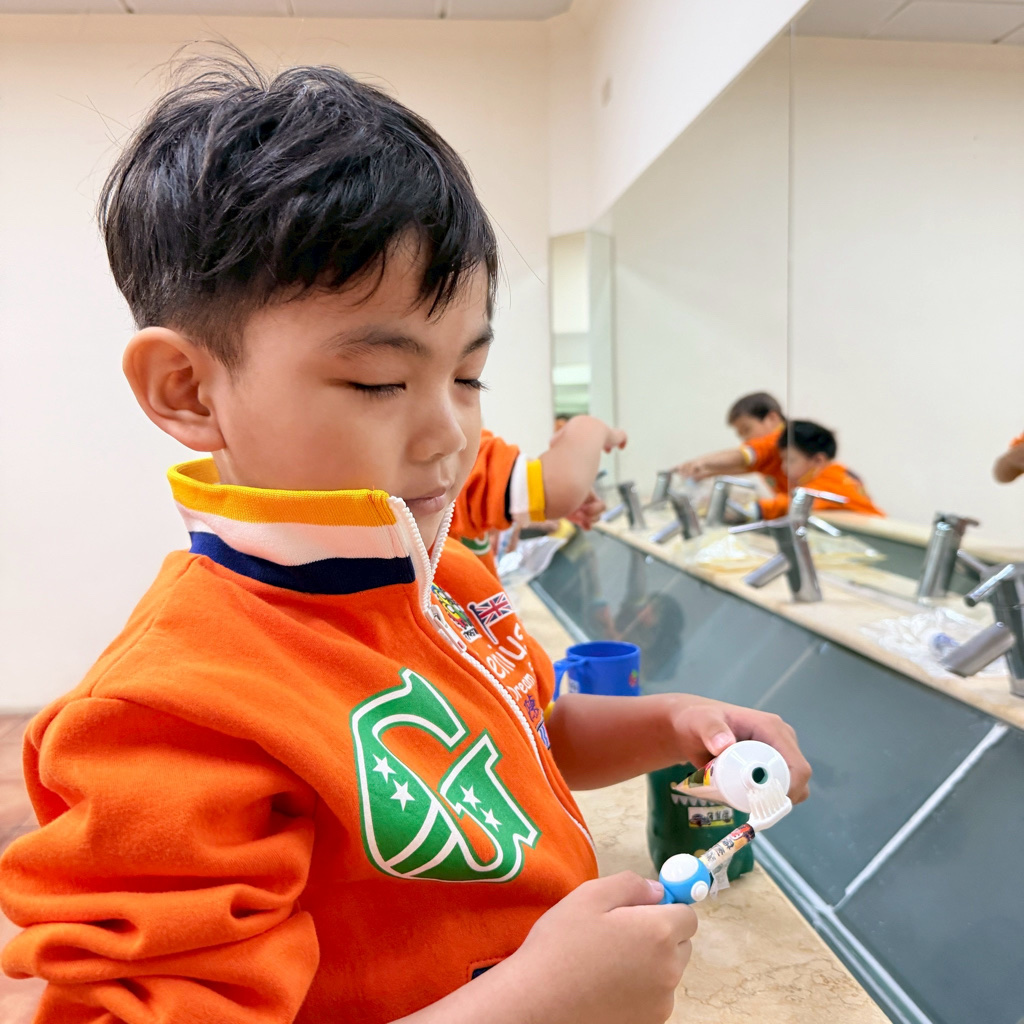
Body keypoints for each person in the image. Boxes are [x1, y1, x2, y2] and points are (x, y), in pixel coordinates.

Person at [0, 56, 811, 1024]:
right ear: (189, 390)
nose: (449, 435)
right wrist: (540, 1000)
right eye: (379, 383)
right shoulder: (172, 712)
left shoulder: (447, 578)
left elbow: (525, 739)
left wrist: (673, 723)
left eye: (467, 376)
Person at [451, 419, 625, 576]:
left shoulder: (447, 476)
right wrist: (590, 427)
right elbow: (562, 485)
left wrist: (530, 511)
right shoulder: (455, 455)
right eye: (466, 388)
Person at [757, 421, 883, 519]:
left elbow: (796, 503)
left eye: (790, 460)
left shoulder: (832, 478)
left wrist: (756, 509)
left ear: (818, 460)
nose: (783, 467)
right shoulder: (837, 472)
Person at [675, 391, 788, 494]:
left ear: (772, 418)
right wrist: (706, 471)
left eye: (747, 429)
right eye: (741, 435)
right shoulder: (770, 457)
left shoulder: (783, 440)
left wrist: (700, 463)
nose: (746, 439)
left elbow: (746, 455)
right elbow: (744, 465)